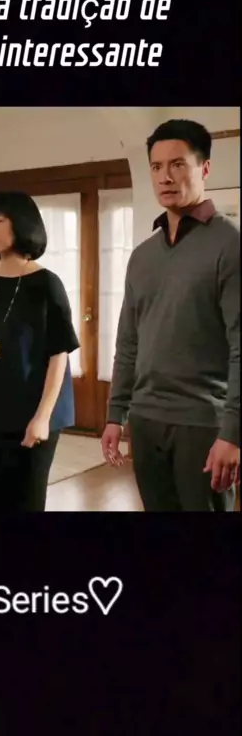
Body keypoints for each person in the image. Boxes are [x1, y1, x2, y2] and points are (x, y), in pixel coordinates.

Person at [101, 119, 240, 512]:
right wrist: (116, 414)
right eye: (157, 166)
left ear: (205, 169)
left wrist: (233, 433)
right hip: (145, 421)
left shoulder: (230, 245)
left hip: (203, 423)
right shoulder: (142, 256)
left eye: (178, 164)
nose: (165, 176)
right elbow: (129, 341)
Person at [0, 190, 80, 511]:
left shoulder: (47, 284)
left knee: (23, 502)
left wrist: (42, 418)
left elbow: (59, 355)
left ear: (21, 224)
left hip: (34, 411)